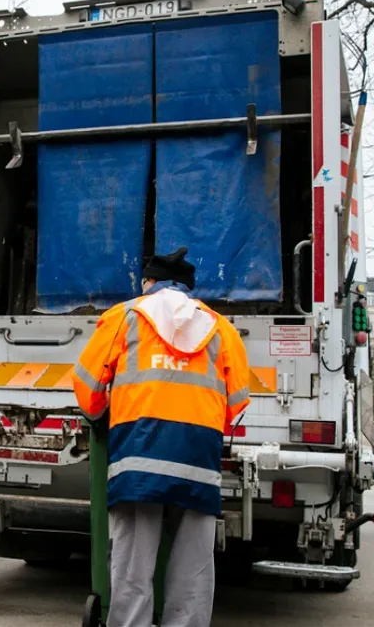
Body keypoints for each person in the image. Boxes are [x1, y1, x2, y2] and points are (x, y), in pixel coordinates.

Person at [71, 247, 250, 627]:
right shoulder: (221, 328)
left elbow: (87, 385)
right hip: (199, 462)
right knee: (193, 569)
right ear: (188, 288)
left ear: (149, 283)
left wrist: (102, 411)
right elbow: (237, 402)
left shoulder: (124, 317)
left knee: (133, 566)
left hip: (138, 459)